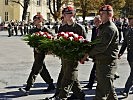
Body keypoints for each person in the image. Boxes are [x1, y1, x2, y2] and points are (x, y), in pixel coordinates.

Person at [47, 6, 86, 100]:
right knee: (73, 78)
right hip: (64, 58)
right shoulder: (62, 28)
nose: (64, 16)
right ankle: (80, 95)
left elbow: (85, 44)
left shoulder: (79, 28)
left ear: (72, 14)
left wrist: (83, 56)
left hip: (74, 58)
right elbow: (58, 43)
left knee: (66, 79)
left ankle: (61, 97)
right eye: (64, 14)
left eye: (66, 14)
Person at [81, 5, 119, 100]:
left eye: (103, 13)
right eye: (100, 13)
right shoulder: (103, 27)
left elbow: (101, 47)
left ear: (109, 14)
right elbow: (97, 42)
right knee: (110, 93)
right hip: (102, 63)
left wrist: (88, 54)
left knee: (100, 93)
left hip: (107, 64)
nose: (100, 15)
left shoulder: (110, 28)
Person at [19, 14, 55, 95]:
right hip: (36, 52)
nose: (34, 22)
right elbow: (30, 41)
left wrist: (48, 48)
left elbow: (53, 39)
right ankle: (51, 84)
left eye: (35, 20)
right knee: (42, 69)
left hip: (42, 52)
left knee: (35, 69)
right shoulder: (32, 31)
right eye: (34, 20)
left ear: (40, 20)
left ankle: (28, 87)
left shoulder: (46, 30)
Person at [83, 15, 102, 90]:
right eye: (94, 22)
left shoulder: (103, 29)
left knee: (95, 69)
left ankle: (91, 83)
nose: (95, 23)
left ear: (100, 21)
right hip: (95, 52)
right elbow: (93, 41)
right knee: (95, 69)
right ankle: (91, 83)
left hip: (100, 52)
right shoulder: (94, 29)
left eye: (96, 21)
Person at [118, 15, 133, 98]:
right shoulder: (127, 29)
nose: (129, 21)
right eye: (129, 19)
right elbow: (125, 43)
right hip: (130, 56)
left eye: (131, 19)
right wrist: (120, 52)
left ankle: (126, 90)